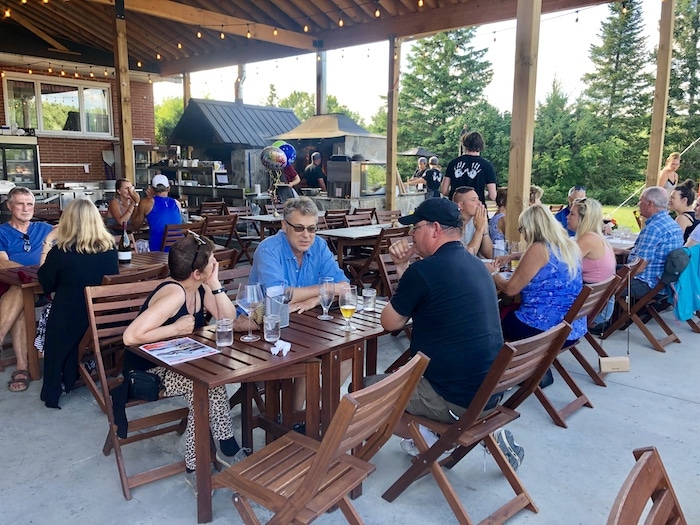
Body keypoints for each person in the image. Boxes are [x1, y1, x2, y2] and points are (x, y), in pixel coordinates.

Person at [376, 199, 519, 466]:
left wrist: (400, 266)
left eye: (415, 228)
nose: (411, 236)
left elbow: (390, 323)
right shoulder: (477, 265)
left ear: (435, 228)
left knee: (363, 391)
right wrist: (403, 268)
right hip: (489, 393)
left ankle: (435, 438)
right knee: (398, 379)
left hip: (454, 399)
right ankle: (437, 437)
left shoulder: (424, 271)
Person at [122, 233, 247, 486]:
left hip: (183, 363)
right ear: (196, 273)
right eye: (212, 262)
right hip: (148, 372)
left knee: (209, 381)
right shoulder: (175, 294)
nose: (216, 265)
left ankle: (222, 447)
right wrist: (174, 329)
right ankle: (203, 460)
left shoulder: (199, 287)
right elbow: (130, 336)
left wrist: (215, 284)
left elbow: (229, 319)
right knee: (204, 387)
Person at [249, 196, 349, 416]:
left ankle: (318, 411)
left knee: (348, 351)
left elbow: (345, 286)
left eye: (312, 229)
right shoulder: (269, 250)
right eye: (300, 228)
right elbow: (280, 296)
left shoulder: (319, 245)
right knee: (310, 359)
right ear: (284, 226)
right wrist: (323, 289)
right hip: (259, 327)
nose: (307, 235)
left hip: (301, 324)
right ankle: (294, 419)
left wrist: (314, 299)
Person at [38, 199, 118, 408]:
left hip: (71, 324)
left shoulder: (60, 252)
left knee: (48, 316)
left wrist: (47, 242)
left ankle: (54, 384)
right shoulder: (110, 249)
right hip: (103, 321)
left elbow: (45, 284)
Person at [488, 205, 587, 345]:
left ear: (530, 228)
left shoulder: (538, 249)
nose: (523, 234)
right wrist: (513, 256)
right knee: (507, 309)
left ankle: (500, 364)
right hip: (571, 328)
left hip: (542, 328)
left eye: (522, 229)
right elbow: (547, 258)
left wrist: (491, 272)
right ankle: (537, 366)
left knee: (490, 323)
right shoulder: (568, 245)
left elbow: (510, 289)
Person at [0, 187, 57, 392]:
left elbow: (73, 231)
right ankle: (23, 367)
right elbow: (2, 263)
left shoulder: (45, 228)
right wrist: (32, 272)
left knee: (22, 295)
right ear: (9, 206)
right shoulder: (1, 232)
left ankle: (22, 366)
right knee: (20, 295)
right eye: (20, 204)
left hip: (43, 287)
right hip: (8, 287)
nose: (26, 208)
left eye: (30, 204)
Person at [566, 197, 616, 333]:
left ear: (584, 218)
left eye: (572, 214)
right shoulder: (595, 237)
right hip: (598, 303)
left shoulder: (588, 240)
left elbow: (560, 263)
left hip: (594, 310)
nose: (567, 217)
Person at [627, 186, 684, 298]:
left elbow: (639, 267)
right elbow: (654, 255)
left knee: (599, 283)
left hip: (648, 283)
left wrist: (613, 279)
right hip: (665, 283)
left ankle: (605, 315)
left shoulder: (654, 228)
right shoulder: (672, 224)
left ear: (650, 204)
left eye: (640, 201)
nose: (638, 204)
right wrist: (622, 252)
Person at [441, 131, 497, 204]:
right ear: (481, 145)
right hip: (477, 209)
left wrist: (458, 196)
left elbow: (444, 190)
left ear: (464, 145)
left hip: (455, 207)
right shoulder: (487, 165)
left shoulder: (453, 163)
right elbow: (493, 196)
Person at [131, 174, 182, 252]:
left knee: (135, 244)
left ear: (151, 188)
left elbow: (136, 225)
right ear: (168, 188)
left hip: (156, 249)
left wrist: (137, 203)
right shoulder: (177, 203)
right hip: (177, 249)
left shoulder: (146, 202)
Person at [452, 186, 493, 258]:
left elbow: (488, 254)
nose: (479, 203)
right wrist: (479, 230)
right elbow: (465, 258)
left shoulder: (476, 220)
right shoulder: (451, 226)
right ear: (461, 205)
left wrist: (484, 228)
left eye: (478, 199)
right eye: (473, 200)